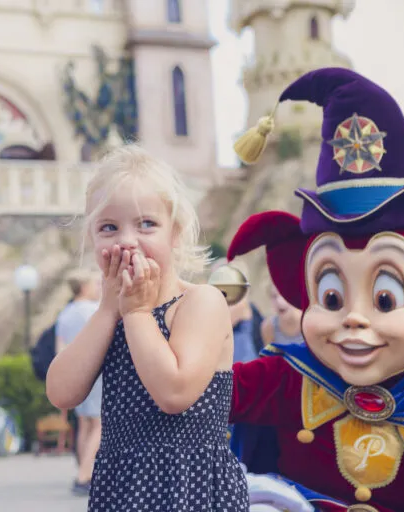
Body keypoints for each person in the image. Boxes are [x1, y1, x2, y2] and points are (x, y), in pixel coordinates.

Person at [227, 68, 404, 511]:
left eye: (385, 300)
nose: (354, 317)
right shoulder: (288, 379)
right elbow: (192, 397)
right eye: (332, 298)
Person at [46, 145, 250, 511]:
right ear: (92, 239)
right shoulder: (110, 315)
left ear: (175, 234)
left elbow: (174, 393)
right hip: (123, 488)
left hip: (191, 486)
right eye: (109, 227)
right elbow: (61, 392)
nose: (127, 240)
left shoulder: (200, 302)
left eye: (146, 224)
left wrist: (137, 312)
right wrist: (109, 310)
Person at [56, 269, 102, 495]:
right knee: (99, 424)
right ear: (84, 287)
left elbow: (60, 349)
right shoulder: (94, 311)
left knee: (84, 423)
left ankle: (83, 470)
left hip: (76, 373)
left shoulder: (65, 314)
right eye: (95, 284)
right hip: (96, 372)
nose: (98, 287)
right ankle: (85, 474)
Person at [261, 283, 304, 347]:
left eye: (283, 295)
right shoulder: (269, 327)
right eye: (274, 296)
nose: (279, 301)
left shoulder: (310, 323)